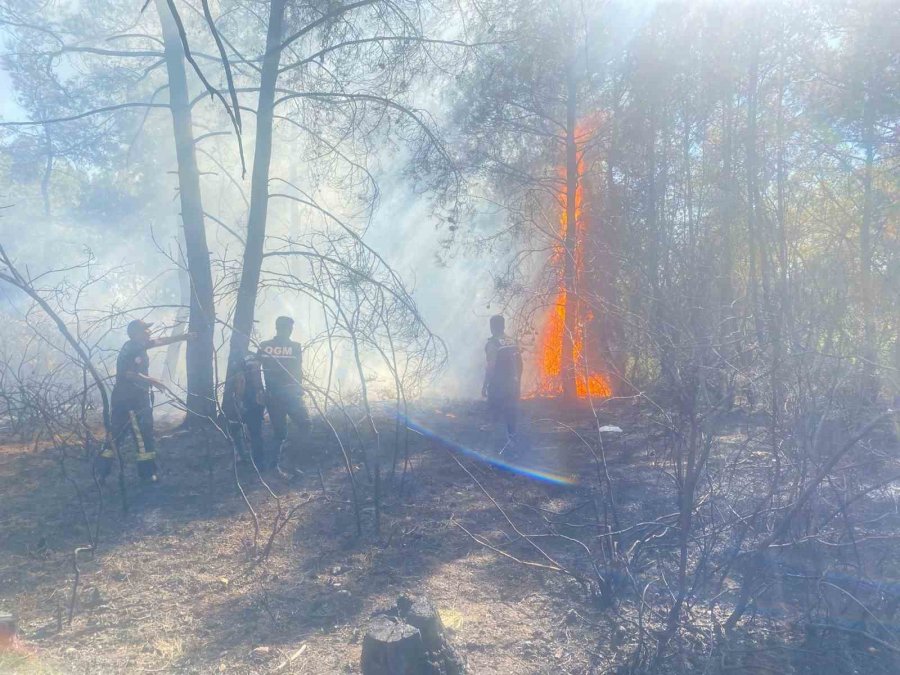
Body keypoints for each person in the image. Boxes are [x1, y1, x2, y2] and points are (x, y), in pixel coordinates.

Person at [96, 319, 194, 483]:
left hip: (126, 399)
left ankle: (101, 472)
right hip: (131, 401)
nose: (149, 332)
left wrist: (185, 336)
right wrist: (153, 381)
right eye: (145, 330)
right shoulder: (133, 348)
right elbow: (129, 373)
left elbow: (160, 341)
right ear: (135, 333)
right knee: (142, 436)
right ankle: (147, 474)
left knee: (115, 436)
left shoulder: (136, 345)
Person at [257, 316, 309, 473]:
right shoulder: (295, 347)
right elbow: (298, 371)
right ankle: (290, 463)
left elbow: (254, 368)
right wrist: (299, 389)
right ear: (287, 329)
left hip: (273, 395)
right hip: (290, 395)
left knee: (279, 433)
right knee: (305, 425)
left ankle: (273, 466)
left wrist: (260, 389)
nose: (291, 330)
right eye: (290, 328)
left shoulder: (265, 346)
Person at [482, 314, 523, 443]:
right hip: (513, 381)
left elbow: (491, 366)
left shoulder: (493, 343)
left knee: (493, 403)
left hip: (499, 382)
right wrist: (518, 380)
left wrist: (485, 384)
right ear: (504, 326)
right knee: (511, 408)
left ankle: (494, 433)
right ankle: (512, 436)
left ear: (492, 327)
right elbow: (520, 363)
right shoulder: (512, 341)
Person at [223, 351, 266, 467]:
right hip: (258, 400)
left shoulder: (240, 362)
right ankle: (259, 461)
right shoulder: (259, 361)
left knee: (236, 428)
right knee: (255, 432)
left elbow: (240, 383)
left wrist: (238, 401)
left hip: (247, 401)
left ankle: (243, 457)